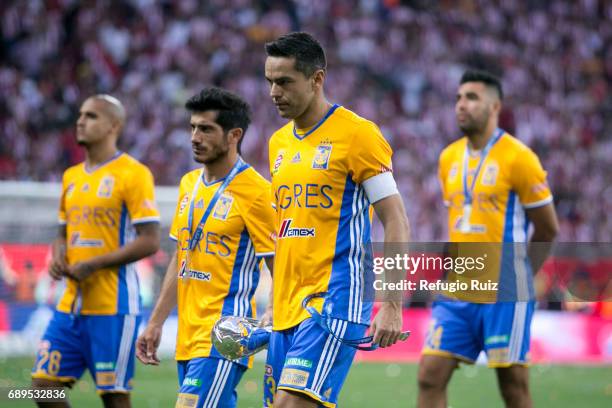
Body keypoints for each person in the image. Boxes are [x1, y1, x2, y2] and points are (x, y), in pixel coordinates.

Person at [263, 32, 411, 408]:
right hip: (285, 308)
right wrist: (270, 303)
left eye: (284, 82)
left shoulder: (358, 134)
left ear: (317, 79)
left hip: (335, 300)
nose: (274, 92)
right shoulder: (278, 143)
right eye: (270, 82)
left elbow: (395, 219)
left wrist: (391, 302)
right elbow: (287, 230)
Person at [417, 70, 559, 408]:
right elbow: (458, 225)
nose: (461, 105)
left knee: (512, 386)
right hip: (458, 291)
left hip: (503, 292)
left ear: (495, 106)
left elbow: (547, 228)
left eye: (472, 97)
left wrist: (521, 277)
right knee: (429, 374)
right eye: (458, 98)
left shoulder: (519, 158)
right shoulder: (448, 157)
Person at [136, 87, 276, 408]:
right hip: (188, 334)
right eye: (193, 127)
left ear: (234, 135)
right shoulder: (188, 184)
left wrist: (274, 311)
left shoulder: (257, 192)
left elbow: (280, 264)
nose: (195, 137)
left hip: (226, 334)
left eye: (206, 129)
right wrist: (156, 322)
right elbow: (181, 257)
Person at [31, 95, 161, 407]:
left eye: (91, 116)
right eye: (80, 114)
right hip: (70, 305)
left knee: (114, 398)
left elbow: (150, 240)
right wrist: (59, 254)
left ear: (113, 126)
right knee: (42, 387)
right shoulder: (71, 176)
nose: (80, 121)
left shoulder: (134, 173)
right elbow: (62, 233)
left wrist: (95, 264)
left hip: (113, 307)